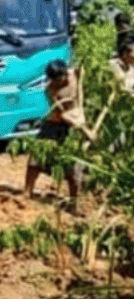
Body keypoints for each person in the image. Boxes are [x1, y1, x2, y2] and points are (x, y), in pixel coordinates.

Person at [24, 60, 86, 199]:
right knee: (36, 157)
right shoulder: (50, 89)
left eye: (59, 79)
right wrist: (82, 129)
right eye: (55, 80)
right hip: (57, 123)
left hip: (76, 123)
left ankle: (73, 202)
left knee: (74, 165)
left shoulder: (75, 74)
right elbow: (63, 114)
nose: (58, 82)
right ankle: (27, 192)